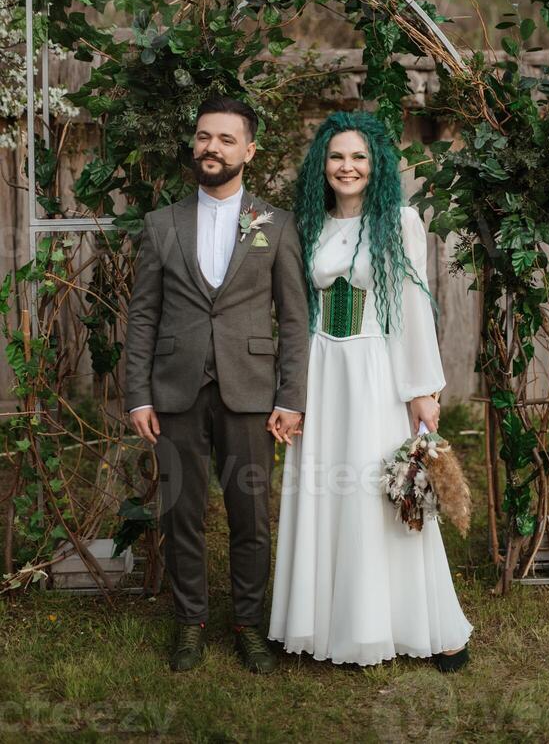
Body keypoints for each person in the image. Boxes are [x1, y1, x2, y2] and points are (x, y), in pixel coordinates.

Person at [268, 110, 473, 669]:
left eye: (358, 156)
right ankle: (329, 625)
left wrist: (422, 388)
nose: (347, 166)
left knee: (384, 493)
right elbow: (296, 314)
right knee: (324, 492)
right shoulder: (307, 223)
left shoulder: (397, 219)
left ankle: (422, 624)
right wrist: (293, 393)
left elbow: (411, 305)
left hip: (375, 369)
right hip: (323, 371)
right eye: (337, 156)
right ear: (322, 165)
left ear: (375, 163)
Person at [125, 95, 309, 674]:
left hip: (251, 391)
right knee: (181, 510)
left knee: (249, 513)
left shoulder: (275, 226)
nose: (213, 147)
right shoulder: (161, 224)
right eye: (205, 136)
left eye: (227, 139)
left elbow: (295, 317)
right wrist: (138, 393)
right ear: (194, 143)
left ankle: (248, 625)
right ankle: (190, 622)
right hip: (175, 388)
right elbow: (143, 316)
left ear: (248, 151)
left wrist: (290, 397)